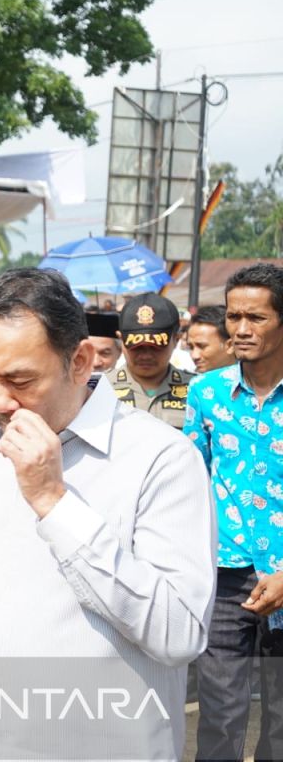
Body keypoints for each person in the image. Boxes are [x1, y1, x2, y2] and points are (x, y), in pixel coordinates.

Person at [0, 268, 213, 759]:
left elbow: (178, 632)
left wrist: (54, 503)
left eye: (19, 380)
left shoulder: (160, 459)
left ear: (79, 362)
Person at [186, 263, 283, 761]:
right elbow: (189, 482)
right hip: (224, 578)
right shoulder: (207, 394)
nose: (241, 329)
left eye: (257, 318)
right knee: (220, 718)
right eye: (234, 316)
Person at [107, 293, 194, 429]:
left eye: (156, 347)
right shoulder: (99, 388)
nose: (146, 356)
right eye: (137, 347)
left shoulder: (196, 390)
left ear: (176, 340)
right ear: (121, 340)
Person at [187, 304, 236, 373]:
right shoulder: (194, 382)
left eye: (202, 346)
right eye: (191, 347)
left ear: (230, 346)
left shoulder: (252, 381)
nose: (194, 356)